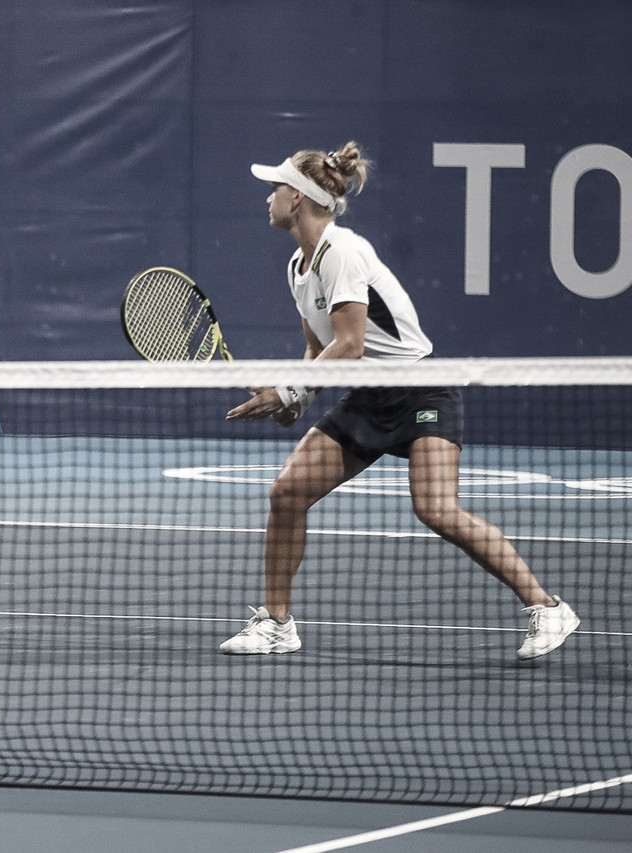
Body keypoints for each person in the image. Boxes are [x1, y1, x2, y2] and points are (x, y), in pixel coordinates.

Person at [221, 141, 579, 661]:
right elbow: (319, 349)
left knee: (435, 508)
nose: (268, 197)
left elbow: (351, 344)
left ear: (298, 198)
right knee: (287, 494)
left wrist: (289, 389)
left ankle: (546, 607)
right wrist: (293, 402)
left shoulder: (343, 252)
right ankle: (277, 623)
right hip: (368, 397)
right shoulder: (300, 267)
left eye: (275, 187)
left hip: (418, 389)